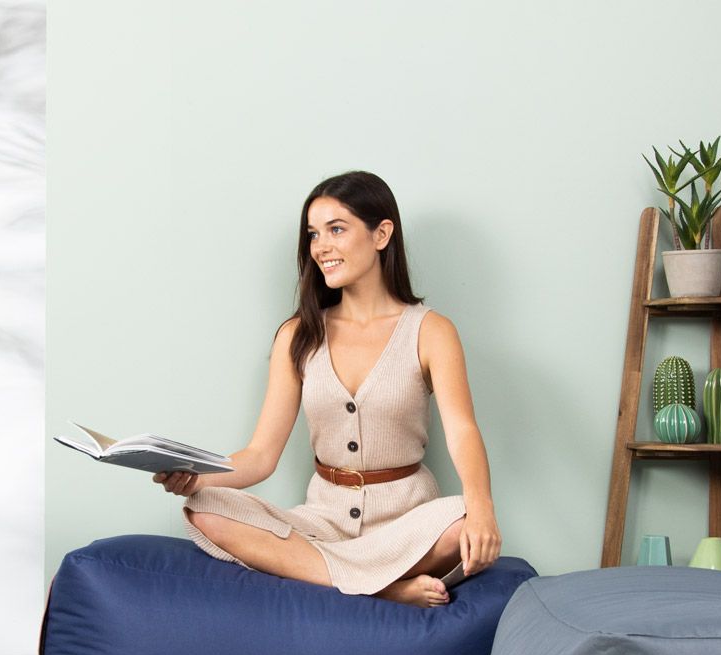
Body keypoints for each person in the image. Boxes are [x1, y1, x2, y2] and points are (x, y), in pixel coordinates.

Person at [154, 170, 501, 608]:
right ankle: (380, 586)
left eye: (336, 229)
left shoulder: (431, 331)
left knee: (463, 519)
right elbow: (260, 456)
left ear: (381, 234)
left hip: (407, 524)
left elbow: (462, 430)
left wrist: (483, 508)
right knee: (206, 507)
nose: (321, 247)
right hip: (323, 523)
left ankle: (333, 574)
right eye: (314, 234)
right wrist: (194, 477)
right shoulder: (297, 335)